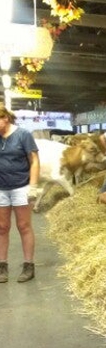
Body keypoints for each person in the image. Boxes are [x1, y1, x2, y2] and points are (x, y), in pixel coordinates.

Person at [0, 104, 40, 283]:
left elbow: (34, 160)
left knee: (24, 226)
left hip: (20, 187)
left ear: (5, 119)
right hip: (1, 188)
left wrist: (33, 185)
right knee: (2, 228)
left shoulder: (23, 135)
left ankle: (28, 265)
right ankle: (2, 266)